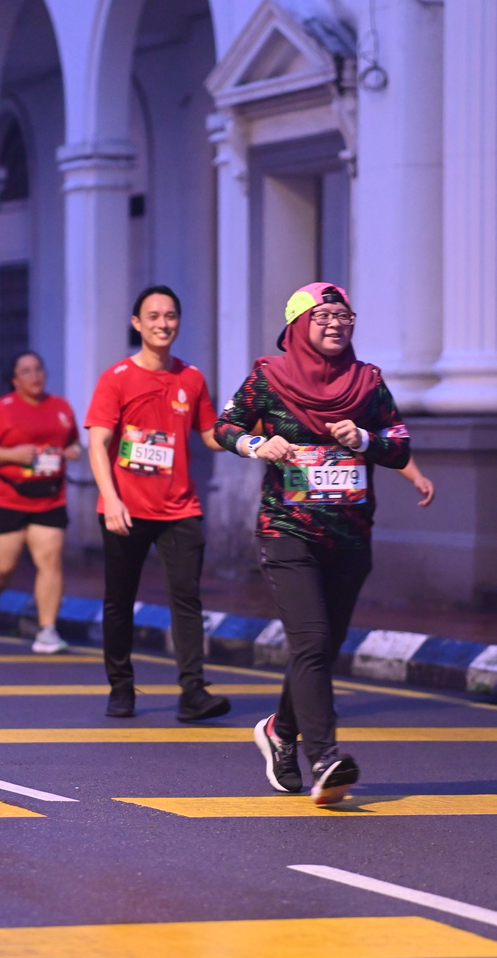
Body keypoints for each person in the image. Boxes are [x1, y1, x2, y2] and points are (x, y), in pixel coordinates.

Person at [214, 282, 410, 806]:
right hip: (288, 531)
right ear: (298, 326)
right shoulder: (269, 378)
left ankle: (280, 730)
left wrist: (363, 439)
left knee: (322, 646)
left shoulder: (368, 382)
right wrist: (257, 443)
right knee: (312, 640)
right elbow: (224, 426)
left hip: (350, 536)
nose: (335, 324)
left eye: (344, 316)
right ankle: (324, 759)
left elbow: (399, 443)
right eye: (323, 316)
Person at [85, 285, 231, 722]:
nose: (162, 324)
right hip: (125, 509)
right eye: (153, 316)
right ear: (137, 324)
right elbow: (98, 444)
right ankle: (121, 686)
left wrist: (253, 433)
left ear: (178, 322)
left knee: (187, 599)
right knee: (119, 600)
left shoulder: (192, 378)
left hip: (180, 509)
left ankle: (193, 692)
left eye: (170, 316)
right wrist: (111, 500)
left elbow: (210, 435)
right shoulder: (116, 378)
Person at [0, 351, 81, 653]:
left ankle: (47, 631)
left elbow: (71, 440)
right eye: (26, 371)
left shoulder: (61, 407)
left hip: (49, 497)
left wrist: (74, 450)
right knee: (3, 568)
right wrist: (12, 455)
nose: (35, 376)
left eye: (38, 369)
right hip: (8, 497)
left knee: (50, 562)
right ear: (15, 380)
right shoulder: (2, 409)